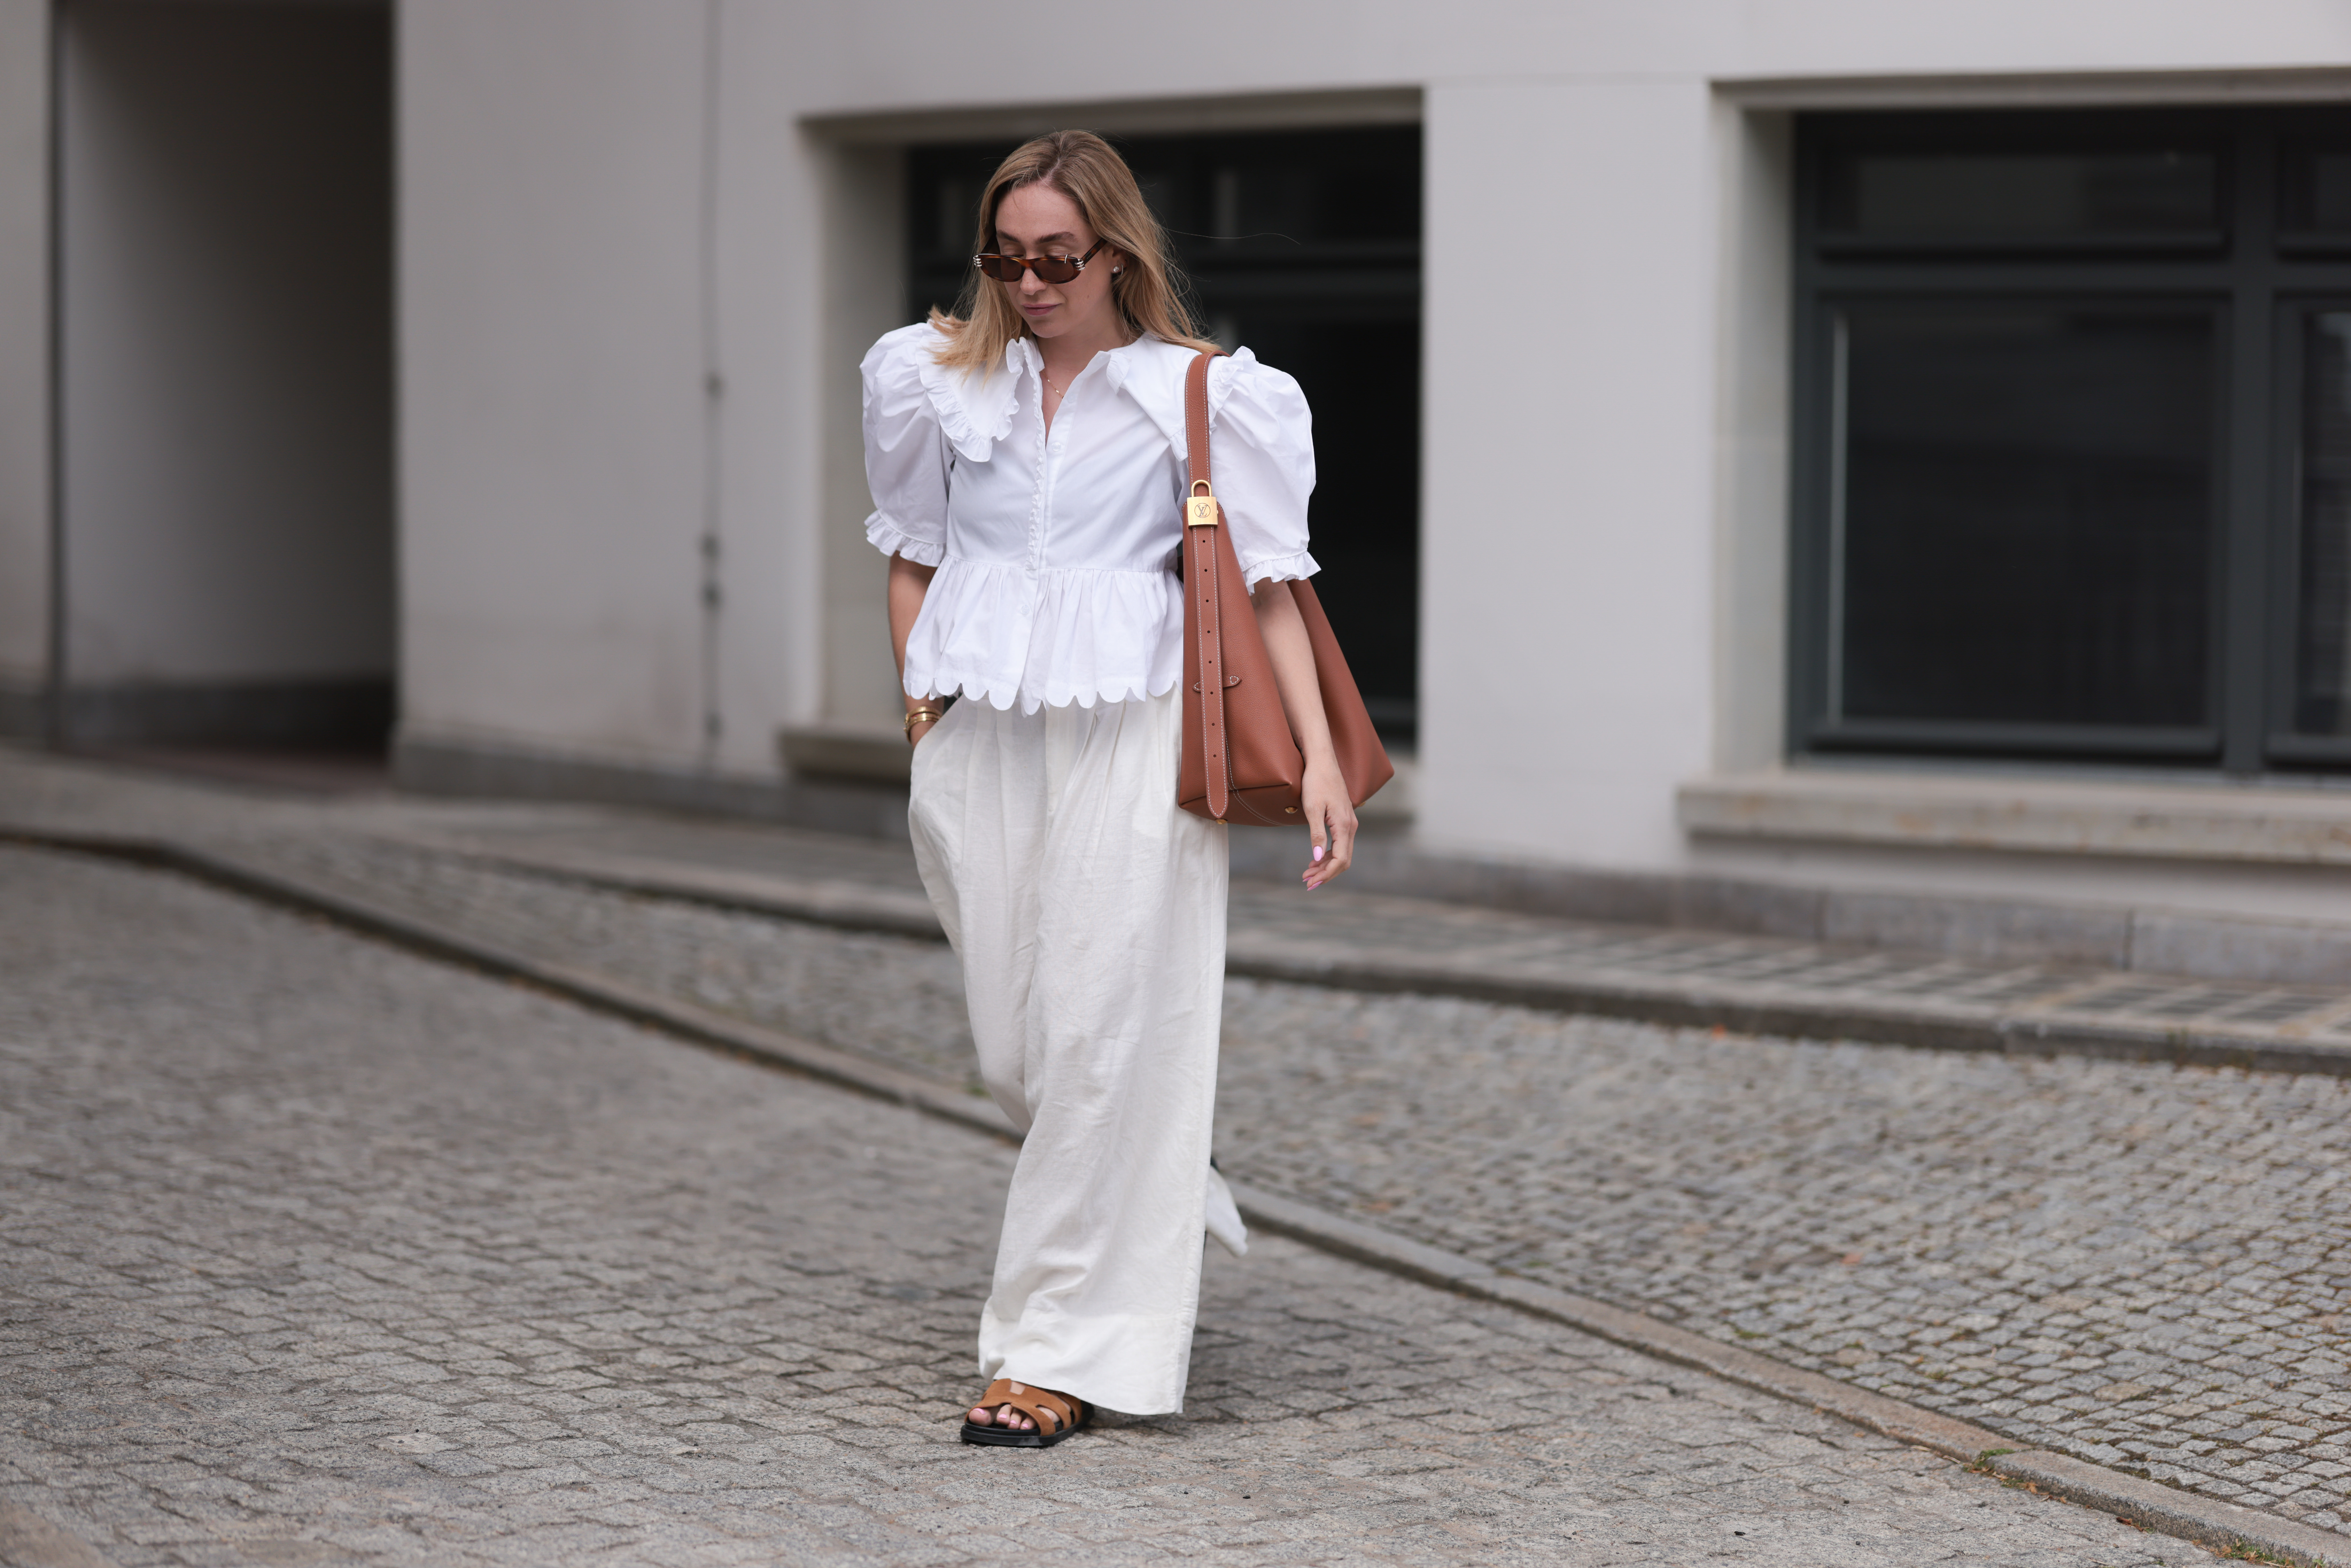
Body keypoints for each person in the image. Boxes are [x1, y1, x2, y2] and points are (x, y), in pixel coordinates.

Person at [860, 129, 1356, 1447]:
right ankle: (1157, 1162)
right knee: (1016, 1045)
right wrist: (922, 710)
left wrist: (1317, 761)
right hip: (983, 742)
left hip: (1139, 739)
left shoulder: (1198, 394)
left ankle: (1049, 1354)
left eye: (1056, 260)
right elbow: (908, 549)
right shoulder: (928, 381)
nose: (1027, 284)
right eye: (1004, 257)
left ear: (1116, 254)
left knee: (1090, 1040)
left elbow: (1272, 592)